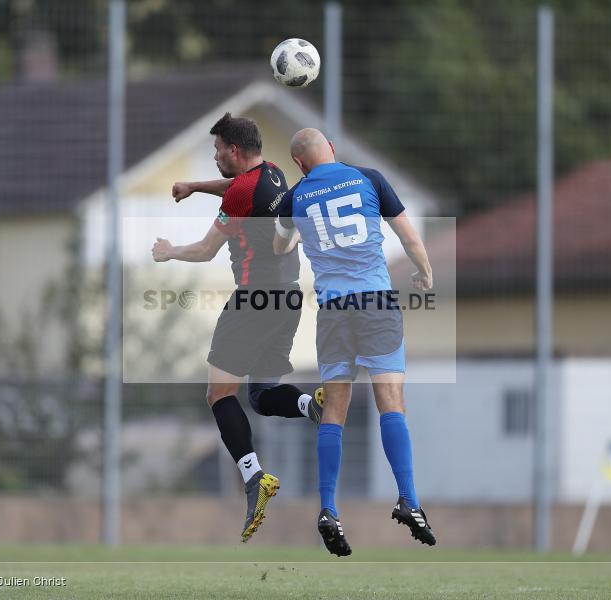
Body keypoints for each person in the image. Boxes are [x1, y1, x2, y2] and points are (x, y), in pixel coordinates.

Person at [152, 113, 322, 543]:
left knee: (218, 393)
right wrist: (194, 188)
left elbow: (207, 251)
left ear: (233, 149)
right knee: (262, 397)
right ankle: (312, 406)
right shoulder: (275, 175)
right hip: (288, 299)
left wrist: (171, 251)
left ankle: (254, 478)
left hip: (253, 300)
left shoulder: (241, 193)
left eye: (216, 150)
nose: (213, 157)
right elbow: (238, 187)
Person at [273, 128, 436, 556]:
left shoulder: (294, 198)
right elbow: (410, 237)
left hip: (332, 313)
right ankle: (410, 501)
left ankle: (328, 508)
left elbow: (279, 244)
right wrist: (424, 271)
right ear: (331, 149)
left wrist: (292, 232)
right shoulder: (369, 178)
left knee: (334, 412)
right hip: (375, 304)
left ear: (300, 164)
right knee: (390, 401)